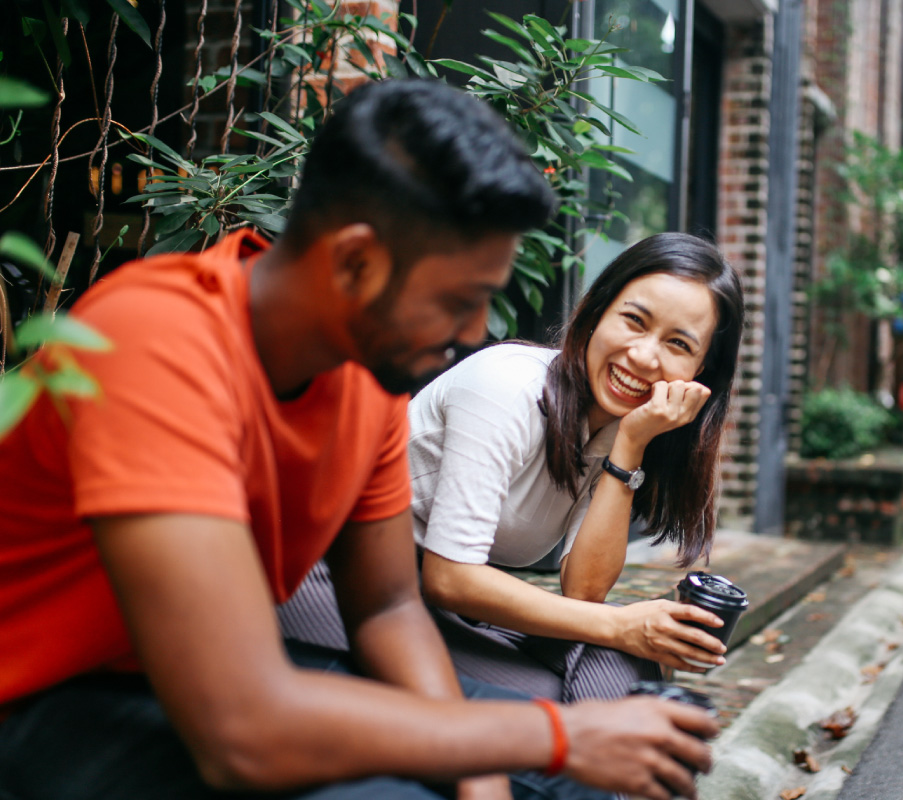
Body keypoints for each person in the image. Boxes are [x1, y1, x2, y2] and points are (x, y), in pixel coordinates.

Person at [0, 80, 716, 800]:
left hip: (204, 683)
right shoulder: (157, 343)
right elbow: (240, 730)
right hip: (46, 699)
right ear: (355, 263)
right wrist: (551, 737)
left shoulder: (366, 379)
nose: (474, 335)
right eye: (458, 302)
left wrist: (481, 776)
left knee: (592, 779)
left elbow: (388, 609)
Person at [281, 233, 745, 703]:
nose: (644, 356)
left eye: (678, 344)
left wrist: (629, 446)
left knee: (619, 670)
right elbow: (451, 577)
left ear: (700, 372)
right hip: (335, 581)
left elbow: (583, 593)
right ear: (598, 310)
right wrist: (624, 624)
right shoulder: (505, 386)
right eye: (633, 320)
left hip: (428, 607)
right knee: (571, 698)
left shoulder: (625, 426)